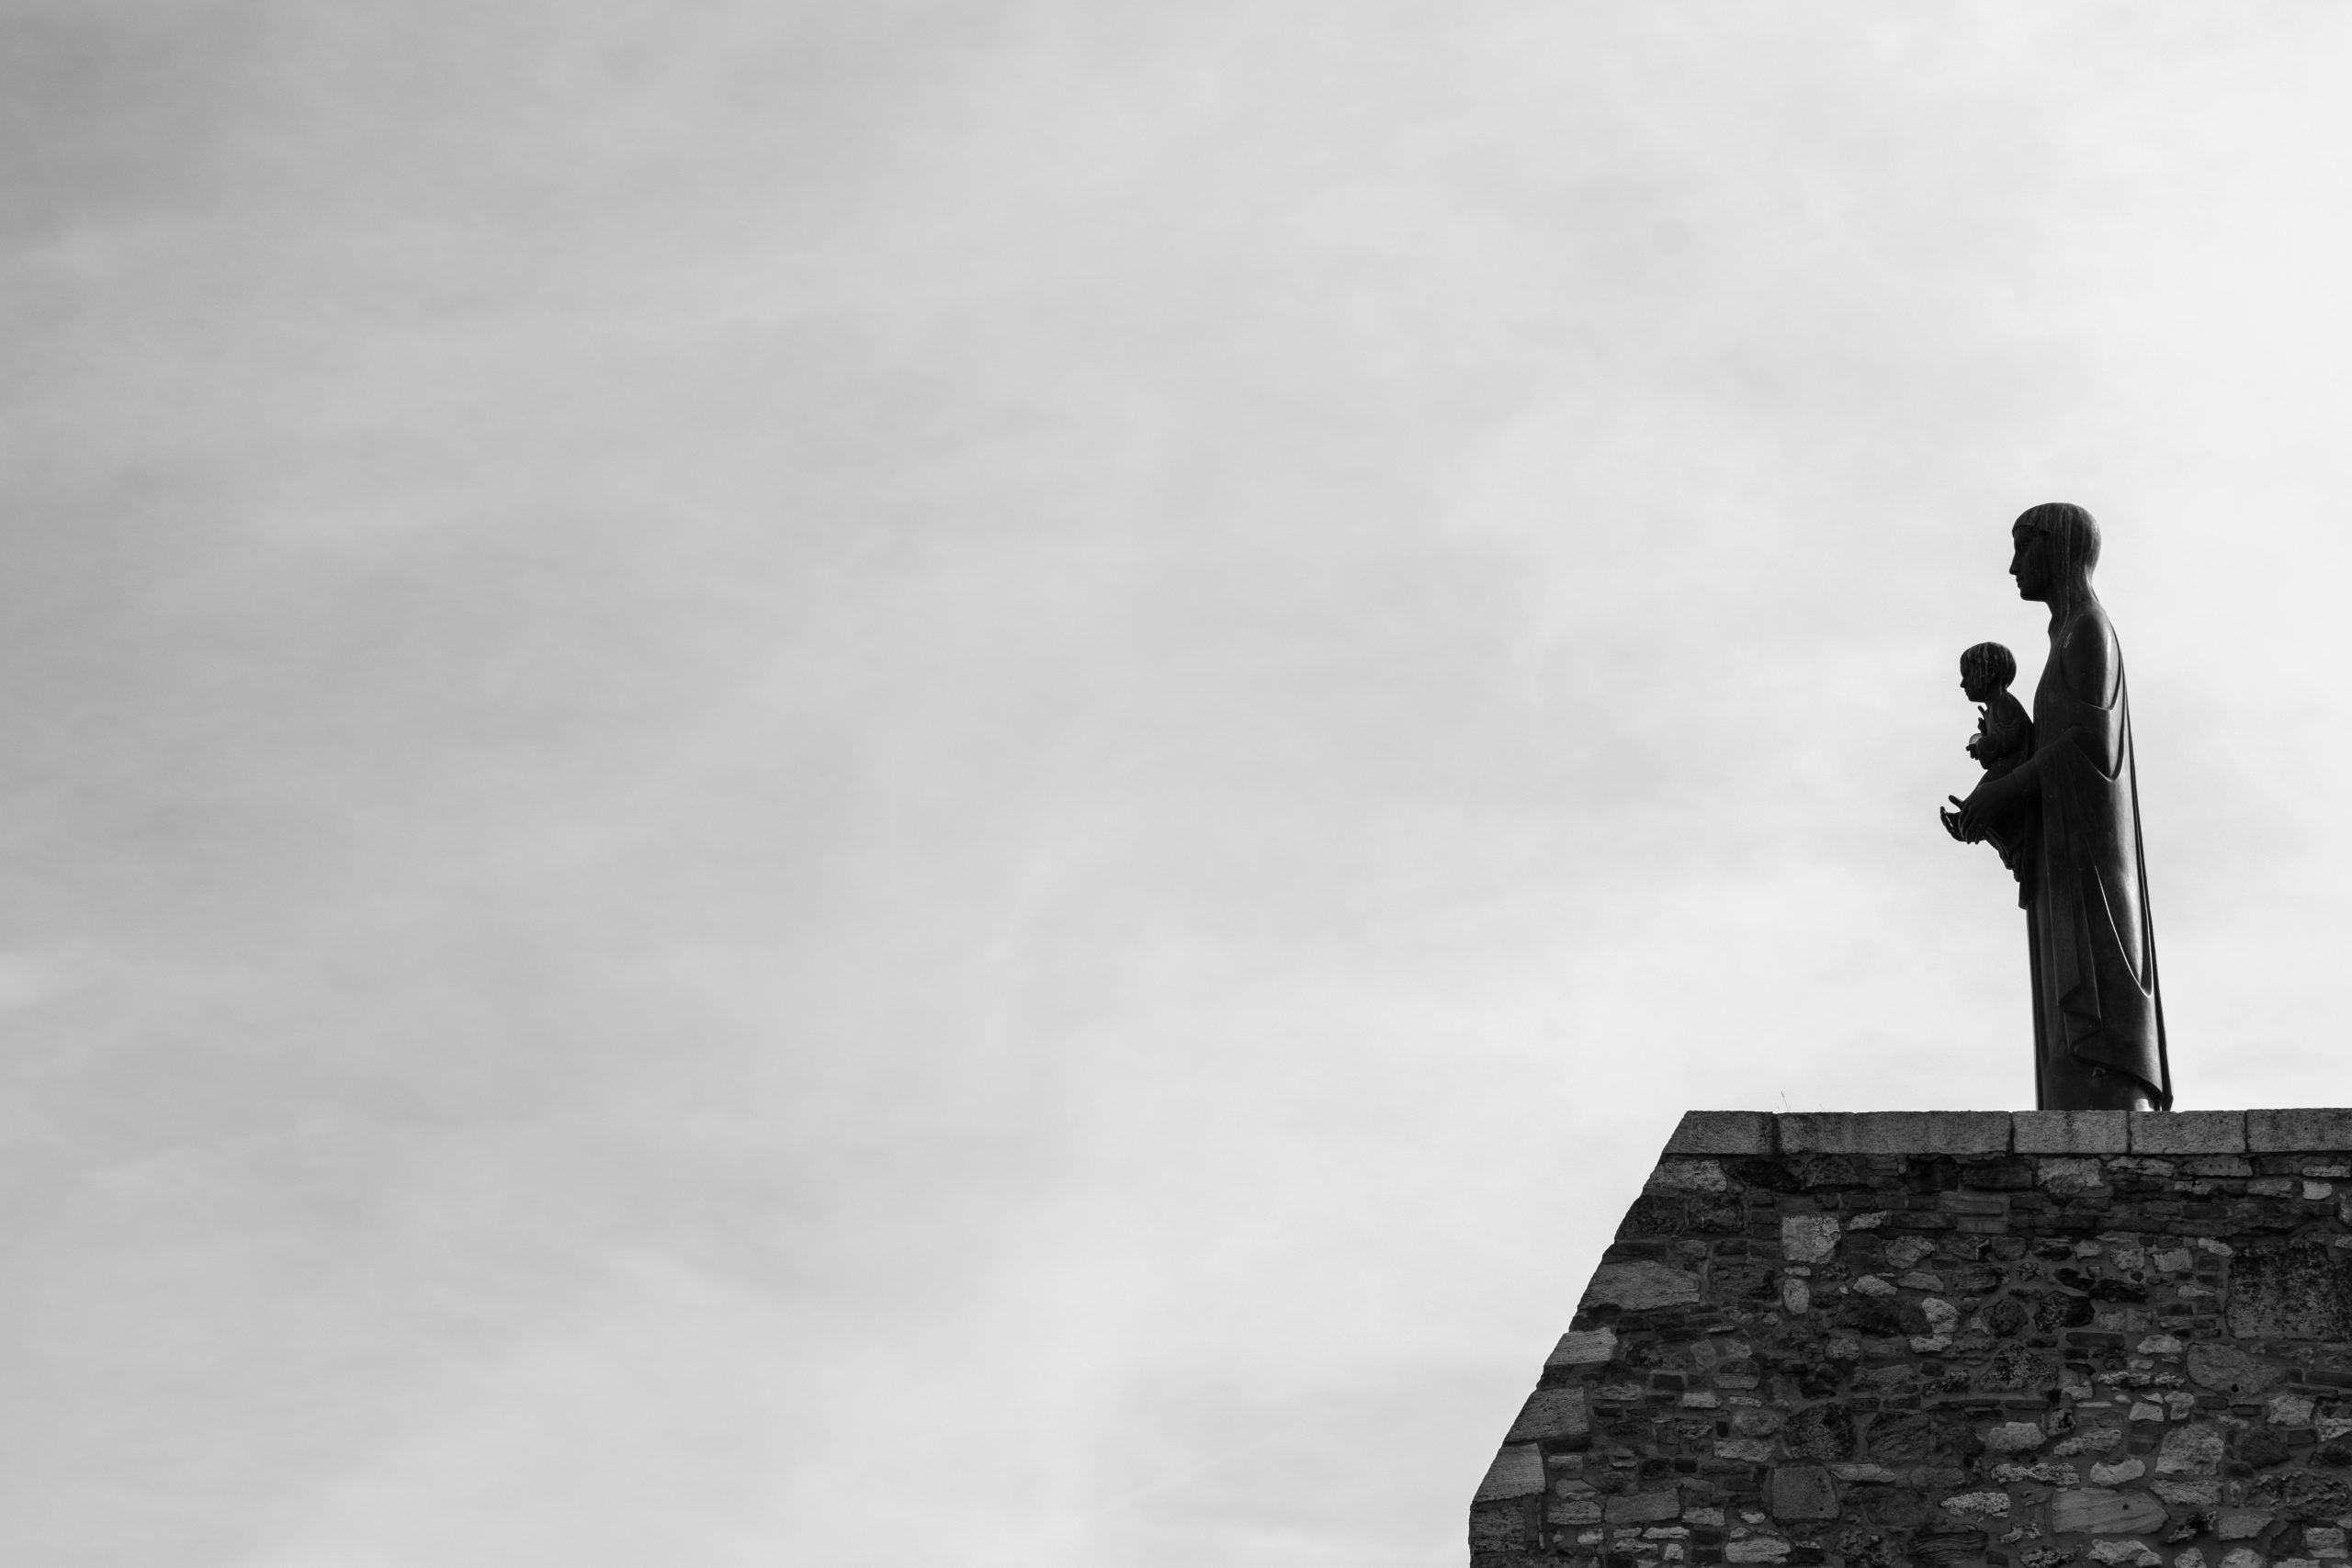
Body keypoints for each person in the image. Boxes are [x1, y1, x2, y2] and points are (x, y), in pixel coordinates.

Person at [1951, 503, 2171, 1112]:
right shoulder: (2065, 636)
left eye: (2024, 547)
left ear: (2057, 548)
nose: (2015, 565)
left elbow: (2085, 745)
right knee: (2064, 1022)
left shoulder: (2088, 632)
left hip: (2094, 864)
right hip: (2065, 854)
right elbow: (2053, 746)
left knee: (2094, 1008)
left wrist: (2007, 785)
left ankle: (2111, 1093)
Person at [1940, 641, 2034, 883]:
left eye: (1967, 674)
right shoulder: (1996, 708)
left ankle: (1977, 821)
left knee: (1988, 794)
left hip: (2013, 778)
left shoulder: (2003, 704)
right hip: (2007, 777)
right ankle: (1973, 820)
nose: (1963, 683)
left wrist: (1982, 745)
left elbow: (2008, 740)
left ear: (1989, 672)